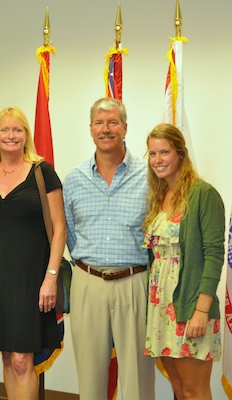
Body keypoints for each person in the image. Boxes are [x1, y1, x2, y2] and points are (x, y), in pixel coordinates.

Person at [0, 106, 66, 399]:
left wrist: (51, 278)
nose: (10, 135)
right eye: (4, 130)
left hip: (33, 279)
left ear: (26, 135)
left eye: (17, 129)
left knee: (23, 359)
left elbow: (60, 230)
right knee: (8, 357)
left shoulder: (42, 172)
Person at [63, 97, 155, 400]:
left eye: (113, 122)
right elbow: (70, 234)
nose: (106, 129)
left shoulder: (149, 176)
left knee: (137, 380)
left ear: (125, 128)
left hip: (134, 281)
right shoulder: (74, 178)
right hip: (88, 282)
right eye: (99, 123)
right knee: (90, 379)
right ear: (90, 130)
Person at [143, 123, 224, 400]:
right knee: (179, 388)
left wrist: (201, 310)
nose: (158, 160)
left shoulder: (204, 194)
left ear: (180, 153)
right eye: (152, 154)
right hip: (162, 307)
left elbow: (214, 254)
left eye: (164, 152)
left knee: (194, 390)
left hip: (190, 306)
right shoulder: (159, 197)